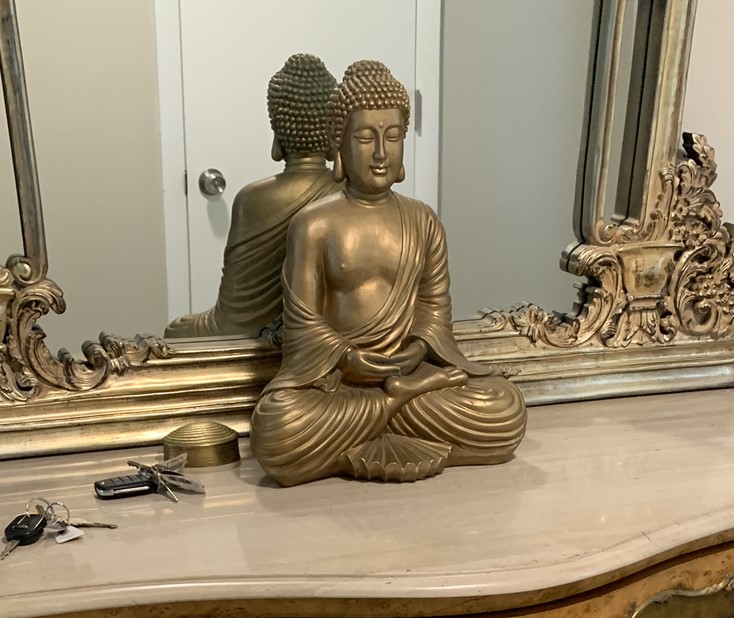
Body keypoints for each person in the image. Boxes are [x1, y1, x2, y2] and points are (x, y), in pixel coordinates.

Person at [249, 58, 527, 485]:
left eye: (393, 136)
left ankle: (385, 412)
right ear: (339, 145)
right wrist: (347, 358)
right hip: (341, 384)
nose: (381, 153)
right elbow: (302, 325)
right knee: (277, 428)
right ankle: (393, 407)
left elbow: (434, 313)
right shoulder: (313, 225)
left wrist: (414, 354)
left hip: (408, 375)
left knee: (504, 408)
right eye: (365, 137)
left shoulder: (423, 220)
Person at [164, 54, 340, 340]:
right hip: (325, 335)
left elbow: (231, 316)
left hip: (254, 332)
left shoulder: (252, 199)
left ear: (278, 135)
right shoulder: (346, 194)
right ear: (334, 135)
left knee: (176, 329)